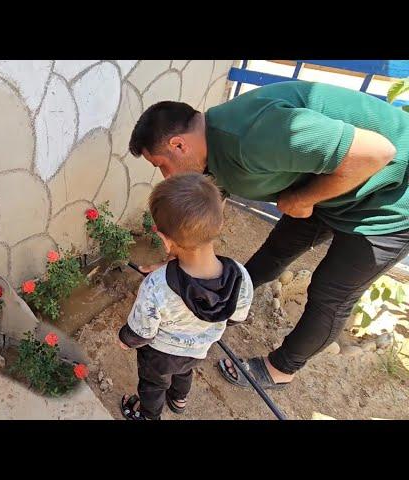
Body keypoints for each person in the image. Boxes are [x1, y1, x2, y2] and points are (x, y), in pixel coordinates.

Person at [127, 80, 409, 389]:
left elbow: (378, 152)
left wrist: (303, 200)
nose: (165, 176)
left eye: (161, 166)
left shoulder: (255, 137)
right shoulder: (211, 147)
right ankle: (227, 303)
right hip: (328, 187)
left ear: (179, 145)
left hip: (389, 200)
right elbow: (202, 211)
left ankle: (281, 369)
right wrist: (176, 267)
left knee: (330, 294)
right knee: (277, 250)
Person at [118, 173, 253, 419]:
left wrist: (125, 338)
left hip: (160, 354)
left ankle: (149, 414)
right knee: (183, 373)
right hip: (198, 349)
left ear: (165, 240)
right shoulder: (241, 276)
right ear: (219, 224)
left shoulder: (156, 285)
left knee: (153, 384)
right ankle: (179, 400)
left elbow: (142, 332)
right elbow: (236, 317)